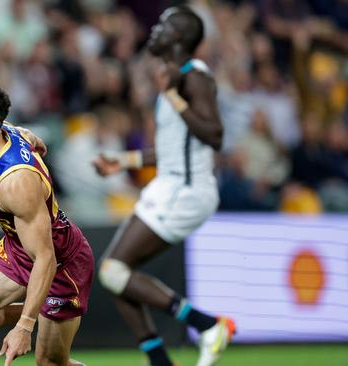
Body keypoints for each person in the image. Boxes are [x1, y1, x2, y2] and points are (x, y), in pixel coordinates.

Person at [92, 6, 235, 366]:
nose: (154, 30)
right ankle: (160, 359)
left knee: (113, 271)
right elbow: (172, 151)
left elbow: (215, 135)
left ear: (179, 38)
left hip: (187, 191)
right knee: (116, 275)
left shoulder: (194, 78)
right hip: (170, 184)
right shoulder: (174, 79)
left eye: (163, 26)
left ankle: (207, 325)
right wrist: (121, 162)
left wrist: (172, 95)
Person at [0, 77, 93, 366]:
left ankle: (41, 308)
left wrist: (24, 327)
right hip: (19, 247)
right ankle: (40, 306)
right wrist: (33, 140)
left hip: (59, 261)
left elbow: (45, 258)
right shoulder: (1, 132)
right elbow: (29, 138)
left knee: (50, 363)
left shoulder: (16, 182)